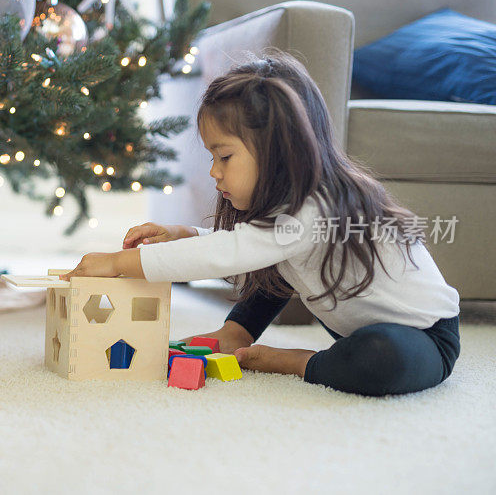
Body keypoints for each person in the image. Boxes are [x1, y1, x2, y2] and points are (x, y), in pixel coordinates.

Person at [58, 51, 460, 397]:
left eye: (225, 157)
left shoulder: (318, 205)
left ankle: (300, 363)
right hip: (356, 330)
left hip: (424, 336)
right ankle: (237, 332)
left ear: (279, 152)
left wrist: (116, 264)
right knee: (276, 267)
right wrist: (184, 234)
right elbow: (251, 245)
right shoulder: (287, 216)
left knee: (379, 358)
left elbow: (230, 253)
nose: (214, 171)